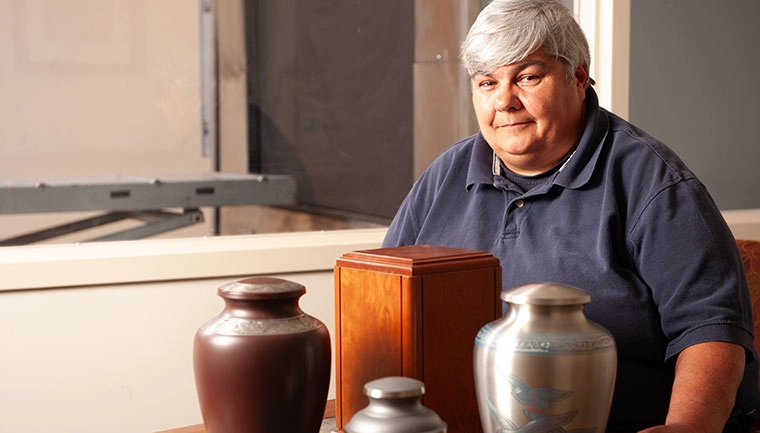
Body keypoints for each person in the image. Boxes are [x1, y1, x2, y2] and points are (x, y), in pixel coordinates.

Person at [381, 0, 759, 431]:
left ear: (577, 77)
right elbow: (384, 299)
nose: (504, 101)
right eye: (486, 82)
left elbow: (711, 330)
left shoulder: (652, 182)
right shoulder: (445, 175)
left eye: (526, 77)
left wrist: (688, 427)